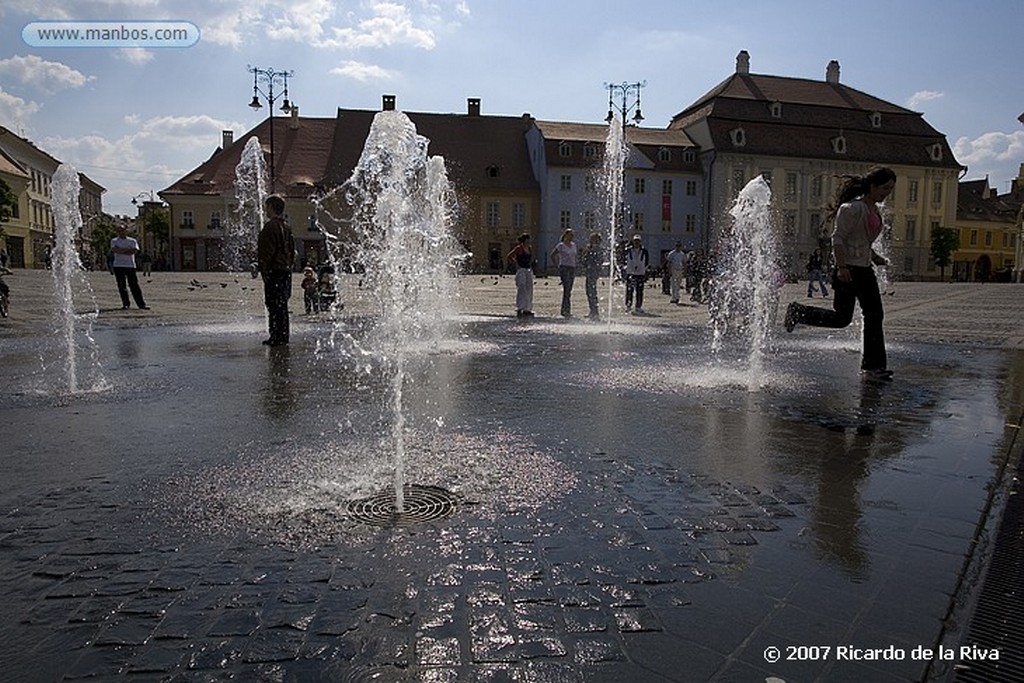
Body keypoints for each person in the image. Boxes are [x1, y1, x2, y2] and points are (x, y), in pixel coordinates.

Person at [784, 167, 897, 380]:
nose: (887, 193)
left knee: (875, 315)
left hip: (865, 270)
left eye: (890, 189)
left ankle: (873, 367)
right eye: (884, 188)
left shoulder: (875, 211)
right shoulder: (852, 209)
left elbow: (862, 242)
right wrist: (843, 267)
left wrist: (876, 259)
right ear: (872, 186)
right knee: (841, 319)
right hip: (848, 270)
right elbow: (838, 239)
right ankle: (798, 312)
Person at [257, 194, 295, 346]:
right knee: (282, 306)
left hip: (274, 271)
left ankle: (275, 336)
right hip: (285, 270)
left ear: (272, 207)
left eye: (267, 207)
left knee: (273, 305)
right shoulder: (286, 226)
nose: (265, 210)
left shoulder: (270, 227)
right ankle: (283, 336)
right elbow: (292, 251)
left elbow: (266, 252)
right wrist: (289, 265)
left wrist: (264, 271)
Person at [110, 225, 149, 310]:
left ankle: (141, 304)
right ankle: (126, 304)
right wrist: (127, 250)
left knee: (134, 285)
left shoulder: (132, 241)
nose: (121, 232)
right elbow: (115, 250)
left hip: (130, 265)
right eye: (119, 230)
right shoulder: (114, 241)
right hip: (118, 265)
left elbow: (134, 251)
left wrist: (121, 250)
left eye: (123, 230)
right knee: (121, 286)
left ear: (126, 231)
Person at [550, 228, 577, 318]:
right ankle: (565, 310)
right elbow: (552, 255)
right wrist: (557, 265)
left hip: (572, 268)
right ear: (566, 235)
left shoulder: (573, 245)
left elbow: (575, 256)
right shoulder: (561, 245)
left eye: (573, 235)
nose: (572, 237)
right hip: (564, 267)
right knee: (567, 288)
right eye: (571, 235)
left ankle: (566, 310)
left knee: (569, 290)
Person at [507, 233, 535, 318]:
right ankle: (520, 308)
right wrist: (515, 263)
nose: (529, 241)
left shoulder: (529, 248)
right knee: (521, 288)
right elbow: (509, 256)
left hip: (528, 270)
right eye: (528, 239)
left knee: (529, 289)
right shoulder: (519, 248)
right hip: (521, 270)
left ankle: (527, 309)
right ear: (525, 240)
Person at [581, 232, 605, 320]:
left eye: (592, 238)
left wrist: (597, 269)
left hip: (593, 272)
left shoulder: (598, 249)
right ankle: (592, 311)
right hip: (589, 272)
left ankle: (595, 312)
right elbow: (584, 259)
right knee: (589, 292)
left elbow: (600, 261)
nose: (590, 240)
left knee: (592, 292)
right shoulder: (590, 248)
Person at [624, 234, 649, 313]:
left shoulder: (644, 251)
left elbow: (647, 261)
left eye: (638, 241)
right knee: (629, 290)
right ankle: (628, 306)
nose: (636, 243)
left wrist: (643, 269)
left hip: (640, 273)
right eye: (635, 241)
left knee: (639, 291)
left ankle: (638, 306)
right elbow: (624, 259)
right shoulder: (628, 250)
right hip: (630, 273)